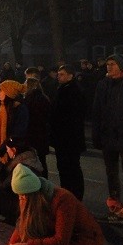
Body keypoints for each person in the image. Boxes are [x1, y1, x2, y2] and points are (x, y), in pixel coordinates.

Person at [0, 164, 104, 245]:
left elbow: (61, 240)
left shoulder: (62, 200)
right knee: (30, 244)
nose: (20, 199)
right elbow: (21, 227)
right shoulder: (35, 202)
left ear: (32, 195)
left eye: (23, 196)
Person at [91, 53, 123, 222]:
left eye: (112, 64)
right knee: (111, 174)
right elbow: (97, 110)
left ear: (121, 65)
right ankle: (115, 208)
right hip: (108, 136)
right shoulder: (103, 84)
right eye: (107, 64)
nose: (109, 67)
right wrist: (97, 134)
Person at [50, 64, 86, 200]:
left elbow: (73, 115)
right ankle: (66, 195)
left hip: (70, 138)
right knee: (63, 168)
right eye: (58, 74)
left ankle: (75, 196)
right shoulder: (61, 89)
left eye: (62, 74)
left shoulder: (74, 91)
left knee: (72, 168)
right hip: (62, 138)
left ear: (71, 75)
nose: (59, 77)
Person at [0, 137, 44, 224]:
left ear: (14, 149)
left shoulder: (20, 166)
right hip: (30, 199)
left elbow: (4, 184)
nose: (7, 152)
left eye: (8, 149)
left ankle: (12, 216)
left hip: (26, 201)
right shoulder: (30, 158)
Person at [23, 77, 51, 178]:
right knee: (41, 161)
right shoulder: (44, 98)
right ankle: (44, 181)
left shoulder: (29, 99)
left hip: (32, 135)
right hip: (42, 134)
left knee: (32, 162)